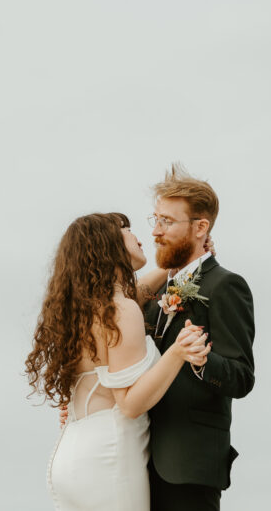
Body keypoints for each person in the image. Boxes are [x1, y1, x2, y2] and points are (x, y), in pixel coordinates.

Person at [25, 212, 210, 511]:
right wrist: (178, 353)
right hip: (108, 456)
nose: (139, 235)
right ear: (107, 245)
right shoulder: (121, 310)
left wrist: (180, 261)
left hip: (72, 454)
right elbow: (129, 404)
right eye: (125, 228)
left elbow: (141, 291)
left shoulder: (92, 308)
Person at [142, 164, 255, 511]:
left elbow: (242, 377)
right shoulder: (156, 289)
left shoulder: (226, 286)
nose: (157, 231)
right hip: (139, 457)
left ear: (200, 227)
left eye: (168, 222)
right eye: (155, 219)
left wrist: (203, 360)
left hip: (189, 465)